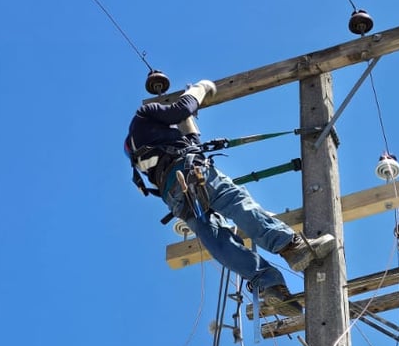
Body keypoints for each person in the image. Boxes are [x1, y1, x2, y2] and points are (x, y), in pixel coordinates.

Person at [125, 79, 335, 315]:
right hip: (190, 171)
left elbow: (192, 142)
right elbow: (181, 110)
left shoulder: (137, 149)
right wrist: (199, 89)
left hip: (176, 197)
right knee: (236, 203)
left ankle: (269, 285)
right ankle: (291, 247)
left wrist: (188, 124)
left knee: (219, 240)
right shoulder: (144, 114)